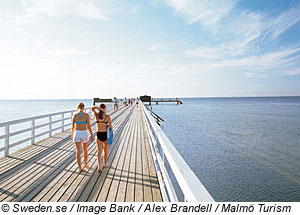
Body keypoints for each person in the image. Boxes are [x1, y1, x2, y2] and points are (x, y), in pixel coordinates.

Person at [71, 102, 94, 172]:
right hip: (84, 133)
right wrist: (92, 135)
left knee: (78, 151)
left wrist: (72, 135)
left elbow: (72, 127)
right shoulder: (86, 115)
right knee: (85, 149)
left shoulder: (75, 115)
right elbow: (89, 126)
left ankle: (80, 167)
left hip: (77, 133)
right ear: (84, 107)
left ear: (77, 107)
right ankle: (85, 164)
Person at [92, 104, 112, 172]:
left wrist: (98, 108)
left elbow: (92, 108)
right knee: (105, 151)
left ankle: (99, 167)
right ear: (105, 108)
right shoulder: (107, 116)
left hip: (98, 134)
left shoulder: (96, 116)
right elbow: (110, 127)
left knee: (99, 151)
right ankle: (105, 164)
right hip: (105, 135)